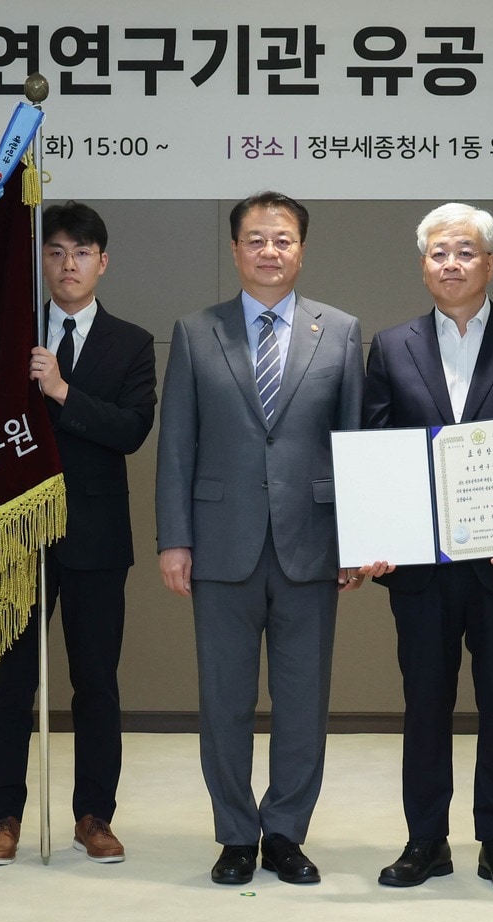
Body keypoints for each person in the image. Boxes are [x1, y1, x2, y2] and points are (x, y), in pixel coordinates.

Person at [360, 203, 493, 894]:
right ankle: (426, 840)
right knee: (423, 702)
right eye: (438, 253)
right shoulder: (392, 347)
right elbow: (377, 453)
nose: (450, 263)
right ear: (422, 264)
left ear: (490, 263)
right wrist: (378, 534)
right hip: (420, 569)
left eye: (465, 251)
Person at [155, 191, 364, 886]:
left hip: (313, 542)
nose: (268, 250)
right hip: (219, 544)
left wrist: (356, 536)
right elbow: (176, 445)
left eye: (281, 239)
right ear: (235, 248)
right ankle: (236, 833)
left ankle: (285, 832)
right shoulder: (195, 331)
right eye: (255, 239)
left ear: (301, 249)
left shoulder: (339, 331)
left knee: (303, 700)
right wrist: (174, 538)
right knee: (224, 699)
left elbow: (354, 442)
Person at [0, 202, 157, 866]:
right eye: (55, 252)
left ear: (102, 262)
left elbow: (131, 429)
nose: (68, 264)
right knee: (13, 678)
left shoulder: (131, 343)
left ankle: (94, 814)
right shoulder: (11, 334)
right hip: (20, 534)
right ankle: (2, 814)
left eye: (81, 252)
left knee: (96, 680)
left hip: (98, 536)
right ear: (42, 261)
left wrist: (59, 390)